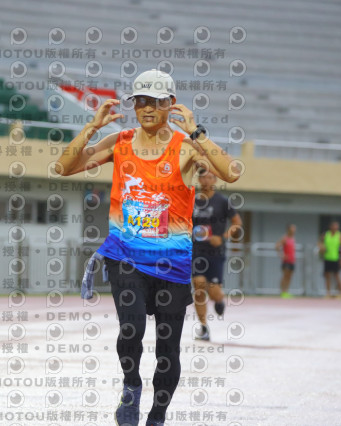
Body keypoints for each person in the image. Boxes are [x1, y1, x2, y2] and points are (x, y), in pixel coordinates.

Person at [56, 69, 241, 426]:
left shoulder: (186, 147)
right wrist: (92, 127)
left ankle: (157, 415)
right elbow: (64, 167)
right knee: (131, 328)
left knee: (167, 350)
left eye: (156, 101)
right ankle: (131, 387)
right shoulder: (120, 142)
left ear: (171, 104)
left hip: (172, 264)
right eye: (140, 101)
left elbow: (231, 171)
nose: (147, 108)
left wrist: (197, 133)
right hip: (125, 257)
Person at [191, 170, 242, 341]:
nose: (207, 180)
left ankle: (219, 300)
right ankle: (204, 327)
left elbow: (237, 223)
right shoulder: (192, 201)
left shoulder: (222, 201)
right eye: (204, 177)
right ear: (199, 179)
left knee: (214, 292)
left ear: (215, 180)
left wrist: (222, 237)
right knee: (198, 286)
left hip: (215, 252)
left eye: (210, 177)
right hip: (196, 250)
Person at [318, 221, 341, 299]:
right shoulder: (326, 234)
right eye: (334, 226)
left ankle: (340, 293)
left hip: (335, 258)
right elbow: (319, 242)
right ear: (330, 227)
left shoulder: (340, 235)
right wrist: (321, 247)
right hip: (327, 258)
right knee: (327, 276)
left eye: (337, 226)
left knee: (337, 276)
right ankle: (328, 293)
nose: (336, 228)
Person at [276, 224, 297, 298]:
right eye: (292, 229)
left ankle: (286, 291)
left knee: (289, 277)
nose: (294, 230)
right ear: (289, 230)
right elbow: (277, 246)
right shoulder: (285, 238)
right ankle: (282, 291)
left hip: (292, 261)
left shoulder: (293, 238)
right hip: (286, 261)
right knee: (285, 276)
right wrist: (281, 255)